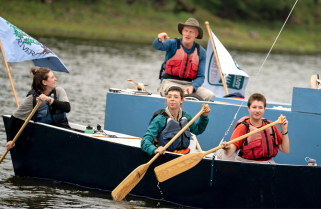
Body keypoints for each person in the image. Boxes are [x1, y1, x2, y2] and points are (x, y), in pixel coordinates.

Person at [6, 67, 71, 151]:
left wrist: (49, 99)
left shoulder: (59, 91)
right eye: (52, 77)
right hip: (43, 136)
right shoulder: (31, 99)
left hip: (63, 130)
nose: (56, 79)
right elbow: (14, 119)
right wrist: (9, 140)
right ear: (44, 82)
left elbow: (67, 108)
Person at [153, 18, 215, 101]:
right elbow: (157, 46)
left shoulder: (201, 52)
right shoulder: (173, 43)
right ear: (182, 31)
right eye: (186, 31)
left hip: (188, 85)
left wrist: (193, 87)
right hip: (169, 82)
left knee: (210, 96)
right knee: (175, 94)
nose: (187, 34)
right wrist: (159, 40)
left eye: (191, 32)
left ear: (196, 34)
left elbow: (200, 77)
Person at [141, 86, 211, 155]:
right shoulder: (160, 119)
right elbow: (145, 141)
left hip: (183, 155)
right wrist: (155, 150)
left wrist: (204, 116)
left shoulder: (186, 116)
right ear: (166, 99)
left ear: (182, 100)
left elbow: (198, 130)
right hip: (165, 155)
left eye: (176, 97)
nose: (172, 99)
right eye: (169, 96)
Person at [221, 93, 289, 164]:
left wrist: (284, 129)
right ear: (248, 108)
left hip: (268, 163)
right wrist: (227, 148)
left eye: (260, 107)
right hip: (246, 164)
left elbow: (285, 150)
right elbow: (229, 153)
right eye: (254, 107)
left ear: (264, 109)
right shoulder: (242, 127)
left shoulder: (271, 125)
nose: (257, 110)